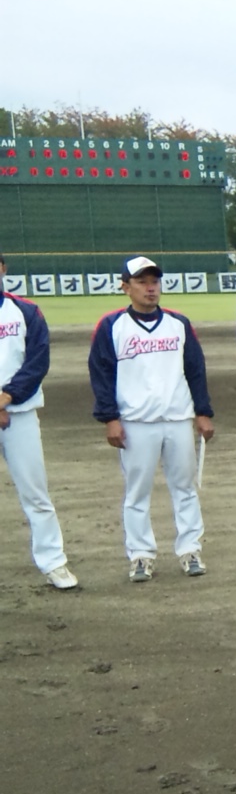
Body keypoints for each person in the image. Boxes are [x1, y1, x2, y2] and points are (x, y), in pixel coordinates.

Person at [88, 256, 215, 582]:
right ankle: (141, 555)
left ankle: (190, 549)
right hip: (135, 422)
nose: (150, 288)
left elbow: (195, 370)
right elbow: (101, 374)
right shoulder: (112, 325)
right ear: (125, 287)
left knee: (184, 488)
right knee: (137, 492)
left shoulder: (178, 323)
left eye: (154, 281)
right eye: (142, 282)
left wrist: (203, 412)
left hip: (177, 418)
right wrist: (109, 418)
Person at [0, 251, 78, 589]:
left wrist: (6, 397)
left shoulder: (26, 311)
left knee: (35, 493)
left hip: (19, 414)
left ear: (3, 268)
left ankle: (53, 562)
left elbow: (37, 361)